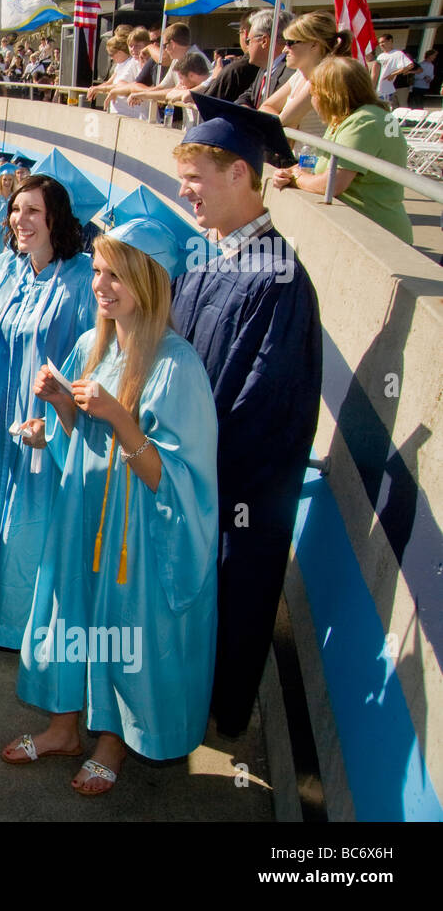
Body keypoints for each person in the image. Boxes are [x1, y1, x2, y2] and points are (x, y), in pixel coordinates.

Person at [14, 218, 219, 794]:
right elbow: (81, 436)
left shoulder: (178, 366)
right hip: (81, 514)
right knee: (71, 615)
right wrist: (58, 407)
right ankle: (62, 727)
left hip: (135, 533)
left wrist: (121, 417)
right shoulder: (91, 344)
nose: (101, 286)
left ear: (149, 282)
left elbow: (177, 479)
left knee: (118, 630)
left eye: (117, 276)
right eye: (99, 272)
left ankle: (112, 741)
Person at [172, 93, 322, 737]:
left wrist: (188, 467)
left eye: (195, 180)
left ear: (240, 173)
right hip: (189, 476)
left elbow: (261, 408)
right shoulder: (211, 260)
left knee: (229, 604)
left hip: (233, 495)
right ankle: (177, 703)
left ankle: (210, 714)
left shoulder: (279, 279)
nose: (187, 194)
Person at [0, 164, 99, 651]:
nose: (19, 219)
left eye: (33, 211)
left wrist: (54, 425)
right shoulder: (4, 270)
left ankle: (20, 633)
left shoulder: (81, 285)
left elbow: (93, 368)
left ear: (56, 220)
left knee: (28, 533)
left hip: (39, 438)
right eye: (15, 210)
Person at [272, 56, 413, 244]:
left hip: (377, 236)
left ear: (329, 95)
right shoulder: (352, 117)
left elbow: (334, 183)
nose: (312, 100)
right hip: (368, 229)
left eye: (314, 94)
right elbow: (321, 166)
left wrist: (298, 178)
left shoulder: (363, 122)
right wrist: (291, 172)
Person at [260, 12, 351, 136]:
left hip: (314, 154)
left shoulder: (322, 79)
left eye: (290, 43)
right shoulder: (299, 75)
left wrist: (285, 124)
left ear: (314, 44)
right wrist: (288, 125)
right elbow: (266, 106)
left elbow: (282, 122)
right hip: (299, 153)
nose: (284, 49)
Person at [370, 33, 414, 105]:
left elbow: (410, 65)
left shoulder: (397, 54)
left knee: (386, 109)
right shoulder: (380, 56)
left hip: (386, 89)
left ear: (390, 41)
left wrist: (393, 74)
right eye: (380, 43)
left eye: (383, 42)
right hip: (377, 88)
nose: (381, 45)